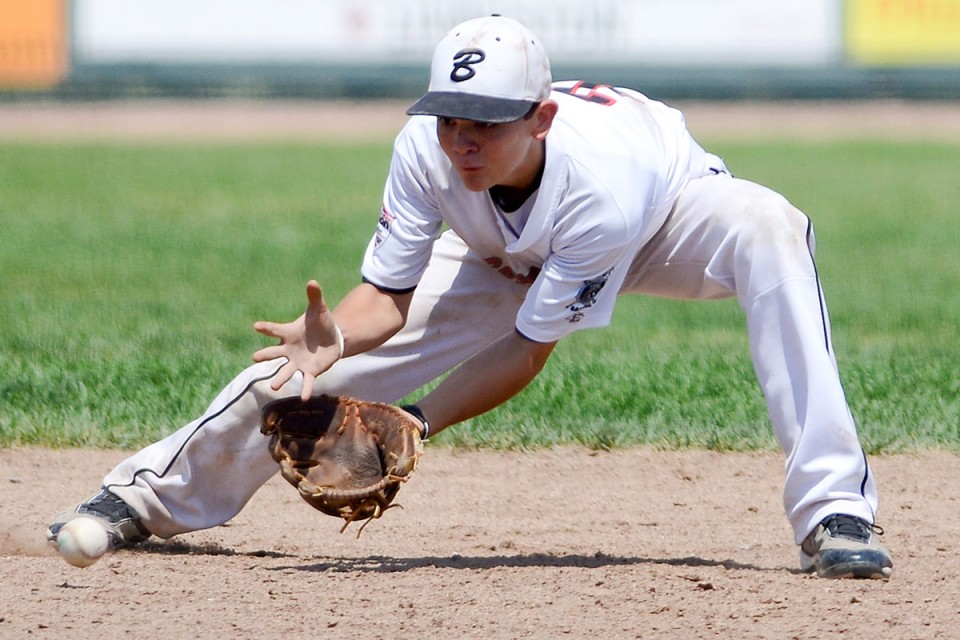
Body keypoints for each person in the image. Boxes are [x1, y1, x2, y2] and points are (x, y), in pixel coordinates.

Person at [48, 15, 892, 579]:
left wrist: (417, 420)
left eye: (487, 121)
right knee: (296, 373)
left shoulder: (604, 183)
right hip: (497, 251)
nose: (464, 140)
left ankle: (836, 513)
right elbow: (387, 292)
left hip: (665, 216)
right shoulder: (427, 150)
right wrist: (336, 340)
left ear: (542, 118)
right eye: (453, 117)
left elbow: (529, 346)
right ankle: (140, 496)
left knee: (772, 228)